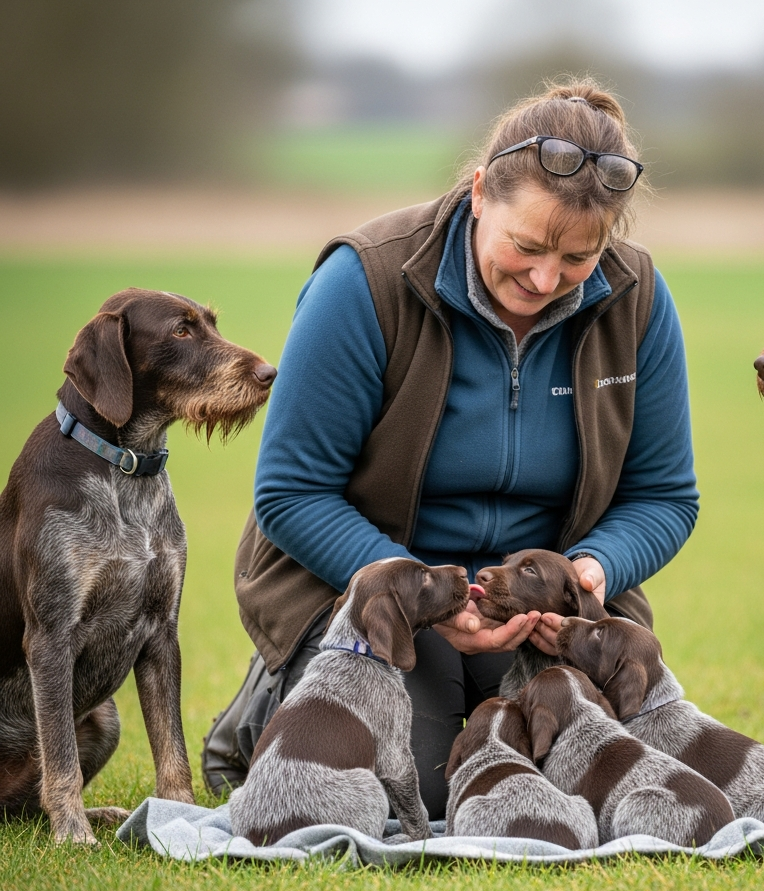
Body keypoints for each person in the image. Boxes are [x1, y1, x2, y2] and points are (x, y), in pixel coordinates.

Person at [202, 78, 699, 820]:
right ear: (477, 193)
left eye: (576, 259)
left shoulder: (640, 302)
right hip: (388, 592)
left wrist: (591, 572)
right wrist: (435, 606)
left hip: (540, 607)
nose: (543, 279)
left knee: (589, 788)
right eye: (525, 246)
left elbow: (664, 496)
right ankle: (260, 713)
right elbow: (290, 493)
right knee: (428, 791)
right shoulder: (364, 280)